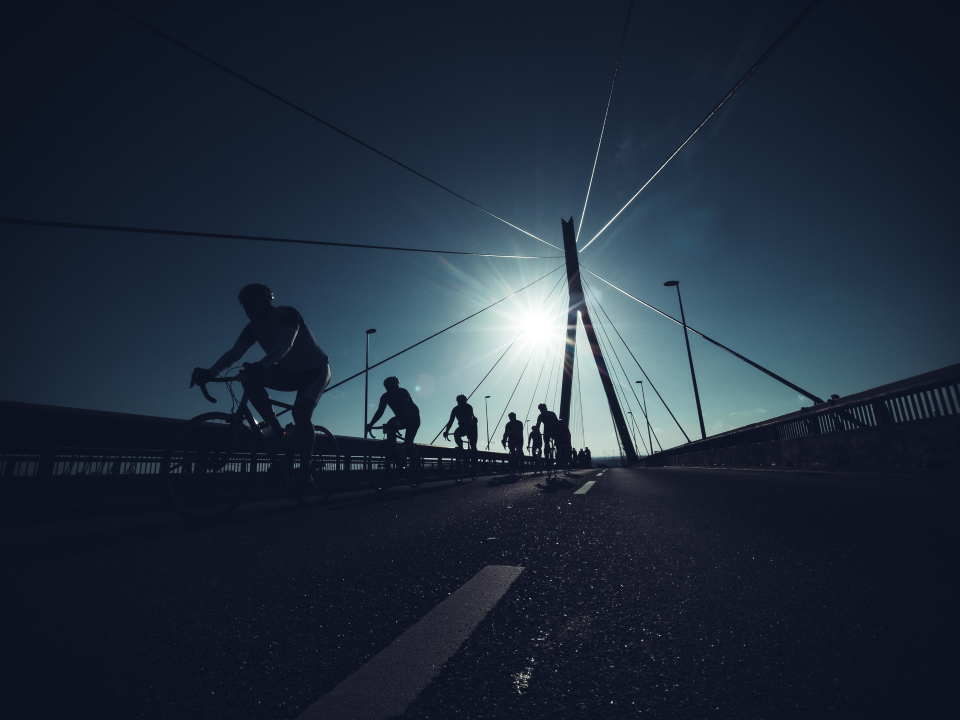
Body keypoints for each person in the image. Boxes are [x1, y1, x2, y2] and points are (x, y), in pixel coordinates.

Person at [191, 284, 330, 482]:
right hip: (288, 372)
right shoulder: (253, 327)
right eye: (245, 306)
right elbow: (234, 353)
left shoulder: (287, 314)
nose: (249, 310)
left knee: (300, 413)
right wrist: (210, 372)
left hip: (315, 370)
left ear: (266, 302)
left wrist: (263, 364)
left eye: (253, 304)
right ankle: (276, 430)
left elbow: (286, 344)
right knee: (248, 378)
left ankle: (306, 469)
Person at [366, 377, 421, 463]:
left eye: (391, 388)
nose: (390, 391)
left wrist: (400, 422)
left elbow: (406, 409)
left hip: (413, 419)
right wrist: (371, 424)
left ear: (396, 386)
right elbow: (380, 412)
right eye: (387, 389)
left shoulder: (403, 392)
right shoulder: (385, 397)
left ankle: (415, 464)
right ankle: (393, 449)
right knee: (390, 423)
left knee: (408, 442)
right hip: (401, 418)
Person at [443, 394, 479, 463]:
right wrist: (446, 431)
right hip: (462, 426)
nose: (462, 403)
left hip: (472, 426)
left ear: (466, 401)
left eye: (463, 402)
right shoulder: (455, 409)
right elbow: (451, 421)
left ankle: (474, 466)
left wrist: (469, 430)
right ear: (457, 402)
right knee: (456, 434)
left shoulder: (469, 407)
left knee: (473, 446)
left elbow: (470, 419)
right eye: (460, 402)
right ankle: (461, 449)